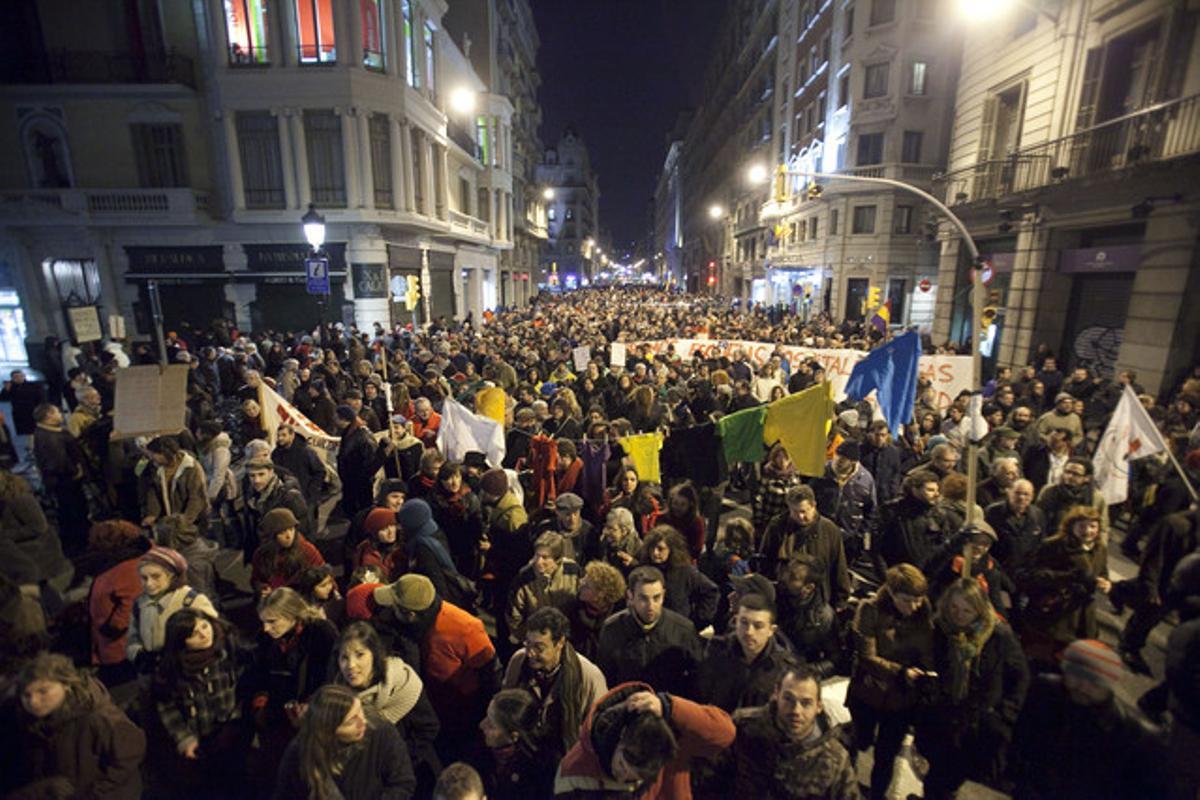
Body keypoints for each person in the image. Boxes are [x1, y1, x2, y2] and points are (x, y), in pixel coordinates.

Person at [918, 578, 1030, 800]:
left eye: (967, 610)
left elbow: (1021, 676)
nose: (958, 616)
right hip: (943, 717)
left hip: (977, 723)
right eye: (954, 608)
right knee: (937, 778)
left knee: (949, 778)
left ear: (979, 610)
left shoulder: (998, 634)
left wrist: (1005, 713)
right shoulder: (940, 628)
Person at [1011, 638, 1165, 800]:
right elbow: (1024, 737)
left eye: (1094, 682)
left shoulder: (1134, 735)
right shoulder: (1046, 691)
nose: (1083, 687)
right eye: (1076, 677)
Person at [372, 574, 500, 756]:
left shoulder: (465, 627)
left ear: (410, 614)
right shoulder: (408, 625)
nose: (389, 609)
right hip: (433, 704)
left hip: (461, 714)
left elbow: (491, 674)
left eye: (394, 606)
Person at [0, 652, 146, 800]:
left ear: (66, 685)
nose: (33, 702)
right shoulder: (33, 721)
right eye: (27, 695)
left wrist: (96, 793)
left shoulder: (96, 718)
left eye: (43, 691)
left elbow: (129, 755)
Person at [553, 682, 735, 798]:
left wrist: (670, 707)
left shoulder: (669, 735)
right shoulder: (573, 772)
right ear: (620, 739)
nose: (623, 779)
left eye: (637, 777)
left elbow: (725, 733)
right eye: (622, 765)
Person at [846, 563, 934, 800]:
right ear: (892, 593)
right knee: (857, 741)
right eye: (907, 600)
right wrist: (900, 671)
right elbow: (867, 656)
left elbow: (927, 650)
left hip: (901, 700)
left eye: (918, 600)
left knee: (886, 755)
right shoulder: (870, 610)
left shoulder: (923, 614)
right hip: (868, 692)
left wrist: (924, 673)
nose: (913, 606)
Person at [151, 609, 250, 798]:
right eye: (194, 634)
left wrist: (237, 723)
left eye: (205, 626)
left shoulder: (229, 652)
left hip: (231, 734)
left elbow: (244, 687)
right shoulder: (172, 668)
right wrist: (184, 738)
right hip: (200, 742)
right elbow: (167, 706)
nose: (204, 635)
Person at [334, 621, 442, 790]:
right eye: (344, 657)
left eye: (360, 654)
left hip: (413, 774)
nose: (351, 665)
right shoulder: (338, 694)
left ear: (374, 655)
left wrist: (395, 758)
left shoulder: (402, 682)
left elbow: (429, 728)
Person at [247, 587, 339, 781]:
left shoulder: (322, 632)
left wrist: (311, 704)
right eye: (263, 621)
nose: (266, 628)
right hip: (276, 712)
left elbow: (331, 675)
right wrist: (260, 704)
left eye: (272, 621)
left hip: (311, 714)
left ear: (293, 615)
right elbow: (258, 673)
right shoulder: (265, 637)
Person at [731, 665, 859, 800]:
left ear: (819, 706)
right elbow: (715, 777)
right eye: (788, 699)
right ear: (776, 694)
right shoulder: (744, 725)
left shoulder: (835, 758)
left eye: (806, 703)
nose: (796, 711)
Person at [272, 684, 416, 800]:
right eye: (351, 721)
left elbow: (403, 784)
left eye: (360, 711)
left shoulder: (382, 733)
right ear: (328, 732)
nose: (363, 722)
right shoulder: (300, 751)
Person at [503, 607, 608, 759]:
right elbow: (504, 706)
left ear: (560, 643)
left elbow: (598, 730)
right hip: (524, 752)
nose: (530, 653)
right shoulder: (519, 661)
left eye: (539, 647)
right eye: (528, 644)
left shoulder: (589, 677)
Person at [1017, 504, 1110, 665]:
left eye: (1093, 526)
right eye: (1082, 526)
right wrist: (1068, 577)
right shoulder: (1053, 546)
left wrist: (1105, 582)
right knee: (1042, 663)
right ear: (1071, 526)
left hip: (1082, 617)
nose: (1088, 531)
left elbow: (1101, 571)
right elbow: (1033, 575)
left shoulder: (1100, 548)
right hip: (1053, 616)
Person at [597, 565, 703, 697]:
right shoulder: (612, 628)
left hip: (668, 709)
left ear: (664, 595)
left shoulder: (683, 630)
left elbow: (696, 679)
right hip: (626, 706)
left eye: (656, 598)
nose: (651, 606)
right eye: (643, 598)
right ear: (630, 596)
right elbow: (605, 676)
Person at [694, 591, 797, 712]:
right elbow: (701, 695)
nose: (749, 632)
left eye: (758, 626)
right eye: (744, 622)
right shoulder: (716, 651)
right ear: (736, 621)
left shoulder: (784, 667)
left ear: (771, 630)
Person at [126, 545, 218, 673]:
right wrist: (138, 655)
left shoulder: (191, 600)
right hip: (154, 674)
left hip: (187, 672)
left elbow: (216, 632)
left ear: (172, 575)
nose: (149, 584)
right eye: (144, 578)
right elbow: (133, 636)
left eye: (156, 576)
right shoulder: (140, 603)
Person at [758, 485, 851, 609]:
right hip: (784, 599)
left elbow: (838, 566)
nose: (800, 517)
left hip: (818, 600)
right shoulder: (777, 526)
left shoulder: (829, 530)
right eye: (795, 512)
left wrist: (841, 600)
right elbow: (765, 560)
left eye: (803, 511)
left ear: (813, 505)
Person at [479, 688, 557, 799]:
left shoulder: (537, 775)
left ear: (513, 736)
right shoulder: (483, 753)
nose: (481, 725)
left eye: (491, 725)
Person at [32, 402, 90, 552]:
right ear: (48, 415)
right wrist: (75, 470)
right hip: (65, 483)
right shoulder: (48, 437)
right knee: (72, 514)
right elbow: (57, 462)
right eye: (57, 412)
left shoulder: (53, 432)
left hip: (67, 482)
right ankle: (79, 546)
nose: (60, 414)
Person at [638, 525, 720, 630]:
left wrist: (697, 623)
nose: (655, 553)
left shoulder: (685, 572)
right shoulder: (644, 569)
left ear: (671, 549)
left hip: (677, 631)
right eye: (652, 548)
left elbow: (711, 591)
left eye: (660, 549)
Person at [507, 532, 582, 643]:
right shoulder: (524, 577)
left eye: (545, 557)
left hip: (568, 639)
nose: (538, 562)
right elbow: (514, 616)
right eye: (537, 555)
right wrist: (530, 639)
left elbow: (582, 606)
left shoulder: (573, 572)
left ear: (558, 560)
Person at [811, 439, 877, 561]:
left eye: (842, 460)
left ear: (853, 462)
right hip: (820, 534)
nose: (837, 461)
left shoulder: (865, 481)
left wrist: (859, 534)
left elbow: (871, 510)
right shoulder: (822, 472)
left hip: (848, 540)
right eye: (836, 456)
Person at [877, 470, 947, 572]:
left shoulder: (938, 515)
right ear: (914, 489)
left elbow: (942, 546)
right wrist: (884, 574)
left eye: (937, 490)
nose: (936, 494)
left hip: (927, 574)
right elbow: (877, 547)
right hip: (898, 572)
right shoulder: (892, 511)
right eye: (930, 490)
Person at [140, 435, 211, 535]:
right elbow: (153, 491)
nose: (151, 457)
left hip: (192, 521)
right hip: (170, 521)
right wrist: (153, 513)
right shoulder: (155, 467)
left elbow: (196, 498)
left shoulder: (191, 468)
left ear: (164, 453)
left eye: (154, 454)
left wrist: (184, 522)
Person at [250, 507, 325, 596]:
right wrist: (261, 587)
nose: (289, 536)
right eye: (282, 532)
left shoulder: (306, 549)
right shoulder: (261, 555)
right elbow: (256, 579)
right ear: (272, 536)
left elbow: (324, 576)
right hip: (277, 601)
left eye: (291, 529)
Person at [1035, 456, 1109, 543]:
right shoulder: (1049, 490)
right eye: (1067, 472)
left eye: (1076, 474)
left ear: (1087, 478)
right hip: (1047, 540)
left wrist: (1100, 551)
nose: (1069, 476)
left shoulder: (1097, 498)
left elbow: (1103, 529)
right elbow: (1036, 517)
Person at [566, 560, 627, 661]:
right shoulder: (573, 611)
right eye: (583, 580)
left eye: (587, 586)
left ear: (601, 594)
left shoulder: (619, 617)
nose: (580, 585)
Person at [985, 478, 1046, 574]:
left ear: (1032, 496)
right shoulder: (993, 513)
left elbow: (1040, 543)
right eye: (1017, 493)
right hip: (1001, 569)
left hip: (1028, 572)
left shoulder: (1038, 515)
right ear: (1009, 493)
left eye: (1026, 494)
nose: (1021, 497)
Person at [337, 403, 385, 516]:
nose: (334, 420)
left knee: (362, 514)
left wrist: (361, 478)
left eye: (336, 417)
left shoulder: (362, 437)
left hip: (360, 483)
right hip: (352, 482)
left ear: (344, 419)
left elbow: (370, 463)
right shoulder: (349, 432)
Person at [354, 506, 407, 581]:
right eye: (384, 529)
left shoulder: (403, 548)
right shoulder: (364, 551)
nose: (390, 532)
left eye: (392, 526)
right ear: (374, 533)